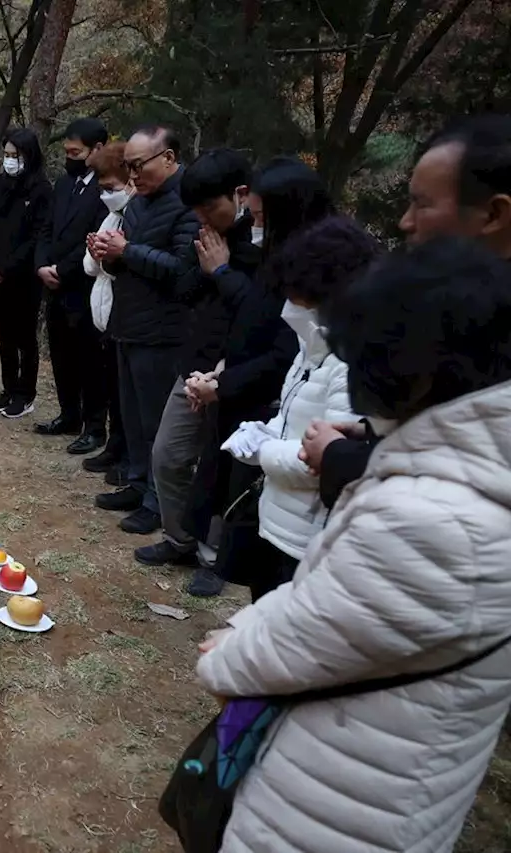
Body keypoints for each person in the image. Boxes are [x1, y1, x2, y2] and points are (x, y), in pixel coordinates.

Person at [196, 237, 511, 853]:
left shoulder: (427, 521)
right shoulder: (463, 476)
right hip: (379, 779)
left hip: (338, 808)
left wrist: (234, 639)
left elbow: (258, 658)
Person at [302, 113, 511, 508]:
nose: (405, 222)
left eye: (421, 204)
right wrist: (376, 430)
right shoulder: (447, 307)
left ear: (494, 214)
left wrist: (339, 457)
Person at [180, 157, 332, 597]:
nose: (254, 224)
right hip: (242, 384)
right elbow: (249, 323)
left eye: (261, 216)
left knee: (247, 499)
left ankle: (223, 567)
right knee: (225, 482)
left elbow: (285, 348)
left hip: (279, 407)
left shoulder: (314, 268)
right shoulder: (266, 252)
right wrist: (222, 369)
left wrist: (224, 384)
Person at [218, 215, 379, 602]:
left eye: (298, 296)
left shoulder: (352, 362)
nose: (290, 305)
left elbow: (327, 458)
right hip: (277, 521)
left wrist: (264, 450)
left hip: (306, 536)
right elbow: (294, 420)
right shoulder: (312, 347)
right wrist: (263, 431)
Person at [136, 148, 260, 565]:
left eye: (211, 207)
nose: (204, 218)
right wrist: (206, 267)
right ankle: (180, 539)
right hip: (193, 362)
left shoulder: (265, 245)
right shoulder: (208, 236)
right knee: (168, 455)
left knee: (225, 465)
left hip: (239, 375)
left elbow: (260, 315)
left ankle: (214, 556)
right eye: (198, 210)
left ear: (240, 195)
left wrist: (225, 273)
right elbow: (184, 289)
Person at [89, 125, 199, 535]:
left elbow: (183, 271)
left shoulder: (188, 204)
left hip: (165, 332)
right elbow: (127, 258)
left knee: (156, 424)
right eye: (129, 167)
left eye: (138, 165)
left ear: (168, 158)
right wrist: (107, 253)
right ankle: (136, 484)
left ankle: (158, 502)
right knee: (131, 417)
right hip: (128, 324)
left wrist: (127, 251)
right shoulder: (139, 203)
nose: (133, 175)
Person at [33, 118, 112, 451]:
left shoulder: (106, 190)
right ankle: (69, 414)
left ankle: (95, 426)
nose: (70, 156)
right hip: (54, 285)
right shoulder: (64, 184)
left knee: (90, 360)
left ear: (96, 150)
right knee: (61, 354)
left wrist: (62, 269)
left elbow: (93, 239)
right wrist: (41, 264)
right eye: (66, 151)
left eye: (75, 152)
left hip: (84, 285)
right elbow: (47, 228)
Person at [0, 128, 53, 418]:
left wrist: (7, 267)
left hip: (25, 276)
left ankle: (25, 392)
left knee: (24, 336)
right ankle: (9, 388)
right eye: (6, 155)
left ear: (28, 156)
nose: (9, 161)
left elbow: (37, 237)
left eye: (15, 156)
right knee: (4, 335)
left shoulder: (41, 190)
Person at [81, 141, 133, 482]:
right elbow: (90, 267)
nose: (106, 195)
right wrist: (97, 252)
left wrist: (108, 256)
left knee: (127, 395)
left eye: (111, 188)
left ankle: (127, 456)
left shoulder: (136, 214)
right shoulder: (112, 214)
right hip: (105, 314)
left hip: (127, 314)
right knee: (113, 388)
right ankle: (114, 446)